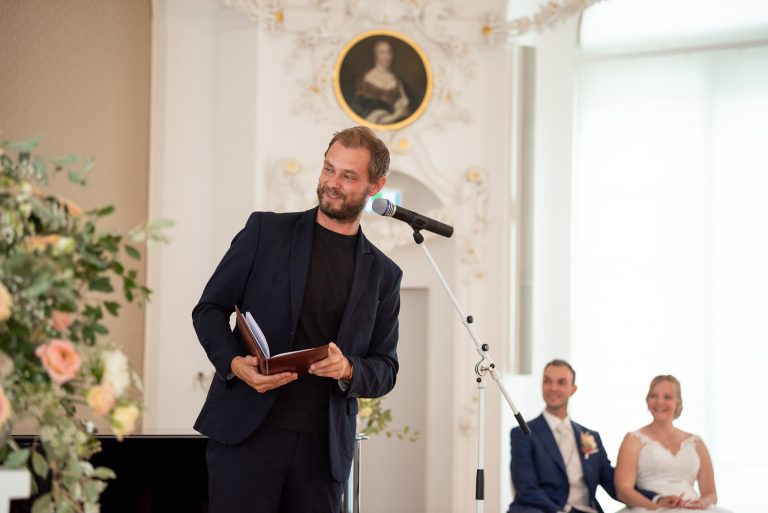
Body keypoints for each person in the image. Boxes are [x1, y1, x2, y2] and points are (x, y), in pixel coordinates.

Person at [192, 126, 402, 513]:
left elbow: (385, 369)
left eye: (348, 176)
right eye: (328, 169)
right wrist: (235, 364)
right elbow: (208, 310)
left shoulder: (384, 275)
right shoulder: (264, 231)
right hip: (247, 436)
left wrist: (348, 368)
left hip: (323, 453)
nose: (332, 183)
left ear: (376, 186)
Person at [507, 359, 660, 513]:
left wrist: (656, 499)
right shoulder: (523, 434)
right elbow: (526, 489)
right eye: (547, 381)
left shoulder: (591, 437)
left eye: (561, 382)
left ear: (573, 389)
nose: (553, 388)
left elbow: (615, 484)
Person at [614, 375, 732, 512]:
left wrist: (702, 503)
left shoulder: (696, 443)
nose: (659, 402)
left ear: (678, 402)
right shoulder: (633, 439)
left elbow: (710, 493)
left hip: (691, 507)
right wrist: (656, 507)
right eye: (654, 396)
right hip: (648, 507)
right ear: (647, 400)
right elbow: (623, 489)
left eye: (667, 397)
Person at [349, 39, 411, 125]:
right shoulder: (364, 81)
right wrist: (396, 115)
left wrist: (402, 107)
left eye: (389, 52)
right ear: (375, 55)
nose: (387, 56)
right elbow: (359, 111)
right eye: (382, 52)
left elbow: (406, 111)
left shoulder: (398, 81)